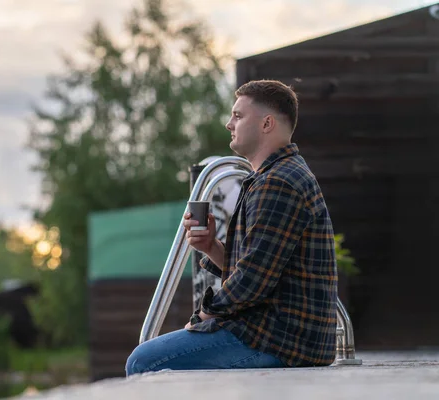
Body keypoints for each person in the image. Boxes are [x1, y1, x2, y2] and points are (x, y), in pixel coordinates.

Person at [125, 80, 337, 376]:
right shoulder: (272, 176)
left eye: (238, 116)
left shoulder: (278, 183)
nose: (228, 123)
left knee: (143, 361)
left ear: (266, 124)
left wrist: (202, 316)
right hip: (279, 335)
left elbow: (253, 280)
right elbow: (264, 272)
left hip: (279, 341)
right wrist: (211, 246)